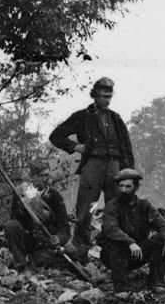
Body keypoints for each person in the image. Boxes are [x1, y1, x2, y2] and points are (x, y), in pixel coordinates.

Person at [49, 76, 135, 260]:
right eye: (103, 95)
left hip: (115, 167)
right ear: (95, 95)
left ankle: (115, 248)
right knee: (86, 209)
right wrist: (75, 147)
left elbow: (126, 148)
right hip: (93, 165)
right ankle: (80, 247)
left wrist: (129, 174)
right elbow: (56, 136)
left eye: (109, 96)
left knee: (118, 207)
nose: (106, 99)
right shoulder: (82, 116)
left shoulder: (116, 119)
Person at [97, 168, 165, 297]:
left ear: (136, 187)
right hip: (113, 256)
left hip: (137, 253)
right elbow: (110, 229)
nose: (124, 190)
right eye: (121, 186)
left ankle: (156, 283)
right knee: (116, 243)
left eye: (128, 186)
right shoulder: (112, 206)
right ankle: (121, 288)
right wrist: (130, 242)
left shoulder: (144, 205)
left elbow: (162, 224)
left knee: (162, 239)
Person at [3, 158, 73, 270]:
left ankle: (34, 260)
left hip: (46, 243)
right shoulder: (24, 193)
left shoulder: (54, 196)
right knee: (11, 226)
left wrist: (59, 238)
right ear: (32, 177)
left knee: (71, 253)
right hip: (29, 240)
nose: (45, 179)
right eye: (41, 176)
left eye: (47, 175)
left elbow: (64, 228)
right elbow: (15, 222)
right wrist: (21, 211)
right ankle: (21, 265)